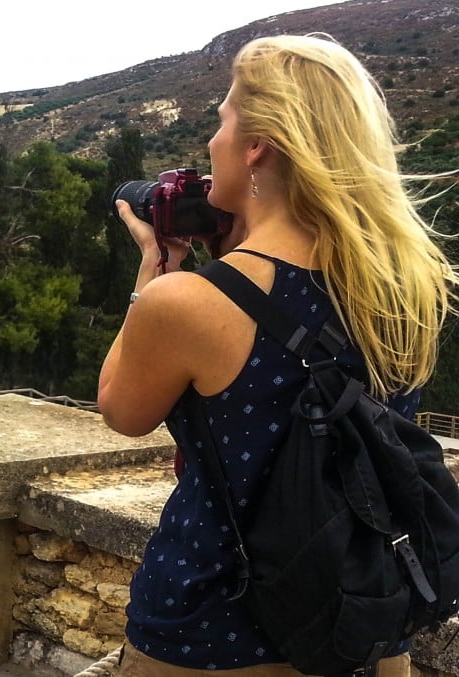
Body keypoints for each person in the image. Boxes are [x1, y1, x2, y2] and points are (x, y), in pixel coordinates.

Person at [97, 33, 457, 674]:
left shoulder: (187, 303)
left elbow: (121, 411)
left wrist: (154, 269)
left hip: (211, 634)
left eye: (222, 119)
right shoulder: (409, 287)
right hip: (364, 627)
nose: (213, 142)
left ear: (256, 145)